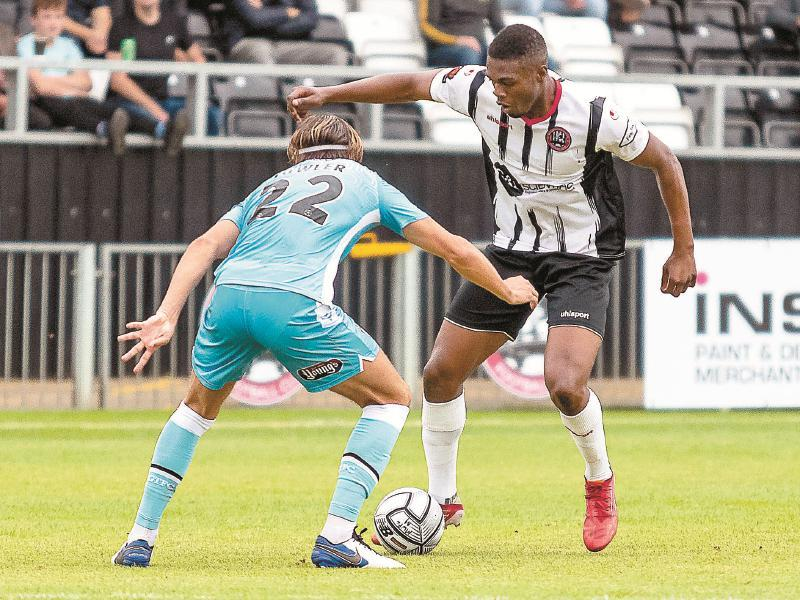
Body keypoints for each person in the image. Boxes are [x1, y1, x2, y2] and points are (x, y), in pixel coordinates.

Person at [287, 24, 697, 553]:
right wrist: (329, 95)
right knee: (439, 374)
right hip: (510, 254)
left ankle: (599, 481)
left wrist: (683, 248)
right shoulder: (478, 89)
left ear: (540, 75)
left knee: (566, 386)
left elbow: (665, 161)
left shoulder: (594, 116)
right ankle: (443, 498)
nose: (496, 90)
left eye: (508, 82)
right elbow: (411, 83)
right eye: (493, 79)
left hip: (581, 260)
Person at [112, 113, 537, 569]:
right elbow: (452, 247)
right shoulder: (367, 181)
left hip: (228, 296)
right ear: (354, 150)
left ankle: (140, 539)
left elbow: (202, 245)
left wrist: (166, 314)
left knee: (194, 411)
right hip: (294, 304)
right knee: (390, 398)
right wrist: (506, 289)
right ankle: (337, 537)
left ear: (297, 153)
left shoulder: (272, 185)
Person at [16, 0, 159, 154]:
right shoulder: (29, 44)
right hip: (45, 103)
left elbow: (86, 82)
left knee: (112, 109)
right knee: (70, 107)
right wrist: (72, 89)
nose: (53, 23)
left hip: (74, 99)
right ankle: (104, 129)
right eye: (47, 17)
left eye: (58, 17)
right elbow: (40, 87)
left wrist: (55, 84)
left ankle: (160, 129)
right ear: (33, 19)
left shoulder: (68, 44)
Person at [106, 0, 222, 153]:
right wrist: (154, 109)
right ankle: (167, 131)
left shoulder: (174, 22)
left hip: (163, 100)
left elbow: (198, 60)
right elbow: (117, 81)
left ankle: (204, 161)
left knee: (211, 114)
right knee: (128, 113)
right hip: (129, 101)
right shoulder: (120, 26)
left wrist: (180, 58)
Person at [223, 0, 348, 66]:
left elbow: (310, 19)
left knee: (336, 54)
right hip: (247, 42)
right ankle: (272, 107)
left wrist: (268, 19)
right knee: (261, 50)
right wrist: (287, 13)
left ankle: (327, 109)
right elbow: (255, 19)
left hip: (288, 44)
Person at [419, 0, 504, 67]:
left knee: (501, 58)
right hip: (443, 48)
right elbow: (426, 27)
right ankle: (471, 88)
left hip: (480, 46)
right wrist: (457, 40)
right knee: (469, 54)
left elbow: (498, 25)